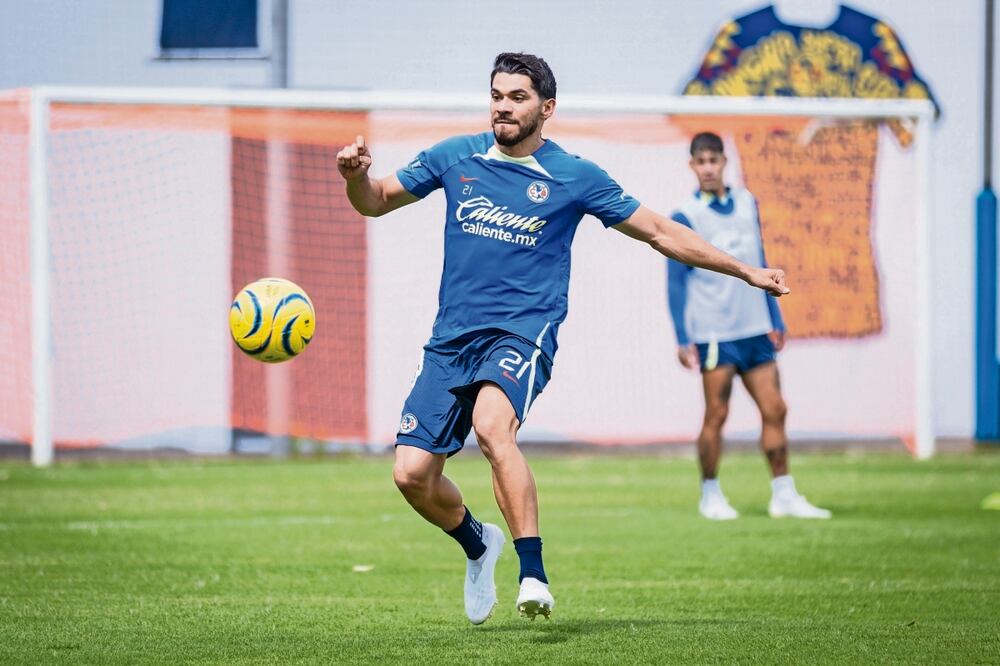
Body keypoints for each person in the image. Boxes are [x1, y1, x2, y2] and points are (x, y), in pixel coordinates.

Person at [336, 54, 788, 625]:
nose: (502, 105)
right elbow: (376, 201)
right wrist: (355, 177)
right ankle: (479, 544)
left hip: (523, 333)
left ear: (546, 109)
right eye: (497, 94)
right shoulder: (456, 156)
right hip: (451, 339)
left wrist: (745, 270)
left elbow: (660, 232)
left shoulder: (574, 176)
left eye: (517, 97)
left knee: (491, 426)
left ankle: (533, 574)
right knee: (410, 475)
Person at [666, 131, 831, 522]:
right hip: (714, 334)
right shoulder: (685, 216)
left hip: (755, 329)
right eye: (700, 161)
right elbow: (675, 280)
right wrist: (682, 338)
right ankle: (710, 494)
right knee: (717, 415)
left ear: (725, 162)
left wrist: (776, 317)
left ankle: (784, 493)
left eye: (714, 160)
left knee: (776, 408)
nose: (708, 168)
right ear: (692, 166)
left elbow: (761, 255)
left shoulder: (746, 202)